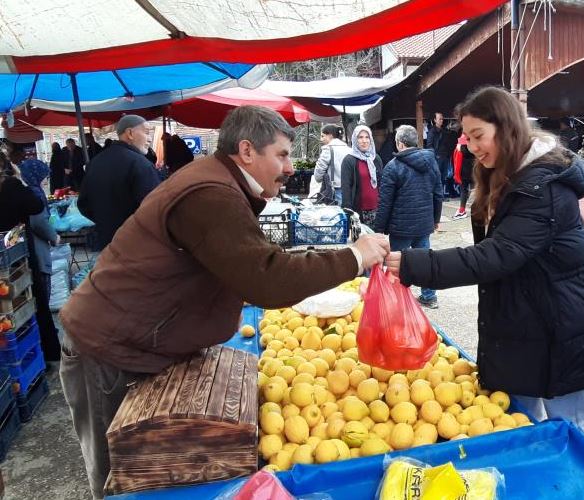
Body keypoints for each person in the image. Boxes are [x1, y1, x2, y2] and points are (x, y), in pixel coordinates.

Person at [59, 105, 390, 499]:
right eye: (282, 155)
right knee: (122, 478)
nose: (288, 168)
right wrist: (353, 257)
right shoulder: (210, 194)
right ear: (247, 151)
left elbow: (248, 260)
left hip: (132, 340)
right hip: (107, 348)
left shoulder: (218, 184)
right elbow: (265, 277)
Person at [386, 87, 584, 448]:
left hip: (558, 326)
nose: (472, 146)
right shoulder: (499, 174)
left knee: (578, 426)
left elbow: (494, 256)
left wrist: (413, 264)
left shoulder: (543, 189)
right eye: (467, 137)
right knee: (523, 423)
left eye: (479, 136)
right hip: (522, 323)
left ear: (506, 129)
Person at [373, 125, 443, 309]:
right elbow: (438, 194)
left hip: (401, 227)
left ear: (400, 144)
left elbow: (385, 202)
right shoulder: (431, 162)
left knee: (397, 263)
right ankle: (429, 296)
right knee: (425, 260)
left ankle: (397, 299)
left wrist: (378, 229)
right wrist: (435, 219)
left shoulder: (392, 167)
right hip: (423, 224)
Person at [78, 115, 161, 250]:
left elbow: (83, 203)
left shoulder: (95, 162)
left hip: (107, 243)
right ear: (130, 133)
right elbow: (155, 209)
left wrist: (106, 222)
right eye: (146, 132)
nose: (150, 138)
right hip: (138, 243)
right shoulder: (140, 164)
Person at [12, 149, 62, 363]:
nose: (45, 181)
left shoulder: (27, 191)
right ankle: (46, 347)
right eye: (43, 178)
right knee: (41, 293)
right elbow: (39, 221)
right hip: (36, 251)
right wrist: (54, 237)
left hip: (26, 253)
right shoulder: (31, 194)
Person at [341, 125, 384, 226]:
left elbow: (382, 183)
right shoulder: (349, 160)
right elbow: (346, 187)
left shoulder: (376, 158)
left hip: (377, 209)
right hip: (358, 211)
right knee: (362, 241)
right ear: (355, 140)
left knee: (377, 240)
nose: (364, 141)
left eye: (367, 137)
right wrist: (348, 211)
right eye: (360, 137)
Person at [0, 152, 44, 231]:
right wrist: (20, 179)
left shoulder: (10, 183)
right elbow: (37, 207)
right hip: (13, 237)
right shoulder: (11, 184)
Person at [313, 124, 350, 204]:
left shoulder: (328, 149)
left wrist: (318, 178)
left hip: (335, 188)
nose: (321, 139)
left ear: (330, 135)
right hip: (348, 186)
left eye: (323, 136)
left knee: (336, 211)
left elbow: (320, 169)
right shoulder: (348, 149)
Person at [426, 112, 457, 198]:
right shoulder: (432, 132)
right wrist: (434, 156)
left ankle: (441, 195)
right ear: (435, 120)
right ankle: (437, 196)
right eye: (439, 119)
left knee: (443, 177)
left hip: (445, 156)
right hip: (437, 157)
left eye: (442, 119)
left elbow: (448, 144)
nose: (441, 120)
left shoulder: (444, 131)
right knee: (437, 178)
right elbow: (429, 145)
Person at [453, 132, 476, 220]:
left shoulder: (461, 143)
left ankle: (462, 210)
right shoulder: (474, 141)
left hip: (463, 170)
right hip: (474, 169)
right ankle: (476, 208)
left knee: (464, 190)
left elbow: (458, 156)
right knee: (476, 189)